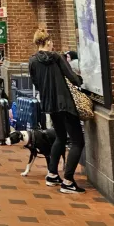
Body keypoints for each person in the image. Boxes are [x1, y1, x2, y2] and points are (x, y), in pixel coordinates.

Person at [29, 28, 86, 194]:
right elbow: (73, 78)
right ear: (48, 42)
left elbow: (36, 83)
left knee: (60, 136)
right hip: (65, 103)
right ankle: (68, 181)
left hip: (49, 104)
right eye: (51, 41)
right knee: (77, 141)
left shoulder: (32, 61)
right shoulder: (57, 57)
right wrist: (82, 80)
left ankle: (52, 174)